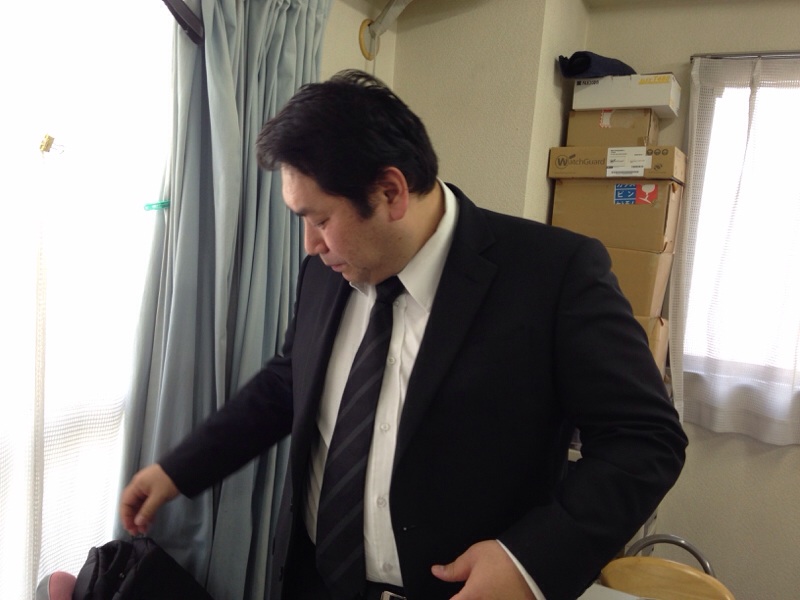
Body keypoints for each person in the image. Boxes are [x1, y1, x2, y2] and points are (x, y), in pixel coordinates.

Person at [120, 69, 687, 600]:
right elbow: (290, 380)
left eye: (321, 219)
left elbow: (646, 439)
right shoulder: (327, 271)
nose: (310, 245)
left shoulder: (553, 274)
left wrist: (528, 562)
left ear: (391, 192)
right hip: (316, 580)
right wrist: (180, 468)